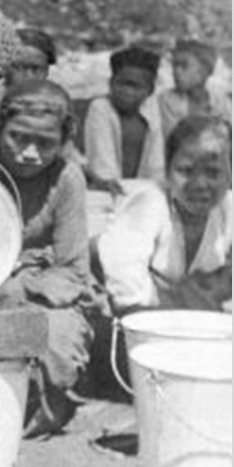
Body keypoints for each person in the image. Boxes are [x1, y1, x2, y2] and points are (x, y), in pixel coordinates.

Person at [0, 81, 97, 437]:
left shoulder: (67, 178)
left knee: (60, 335)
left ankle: (31, 411)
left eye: (45, 144)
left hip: (35, 283)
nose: (29, 153)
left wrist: (19, 283)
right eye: (18, 137)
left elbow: (73, 269)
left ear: (64, 140)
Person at [98, 115, 232, 314]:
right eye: (185, 171)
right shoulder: (148, 203)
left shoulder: (228, 207)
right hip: (134, 319)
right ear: (168, 172)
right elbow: (127, 292)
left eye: (213, 172)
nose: (199, 185)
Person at [83, 44, 165, 195]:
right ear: (111, 82)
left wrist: (153, 190)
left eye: (136, 87)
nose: (127, 92)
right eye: (121, 84)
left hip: (142, 193)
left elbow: (156, 164)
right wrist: (114, 188)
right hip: (105, 191)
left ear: (150, 90)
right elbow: (103, 164)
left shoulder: (151, 112)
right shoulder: (101, 108)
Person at [158, 37, 229, 134]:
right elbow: (174, 137)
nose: (176, 72)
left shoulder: (219, 101)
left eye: (184, 66)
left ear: (205, 72)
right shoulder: (167, 100)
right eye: (174, 66)